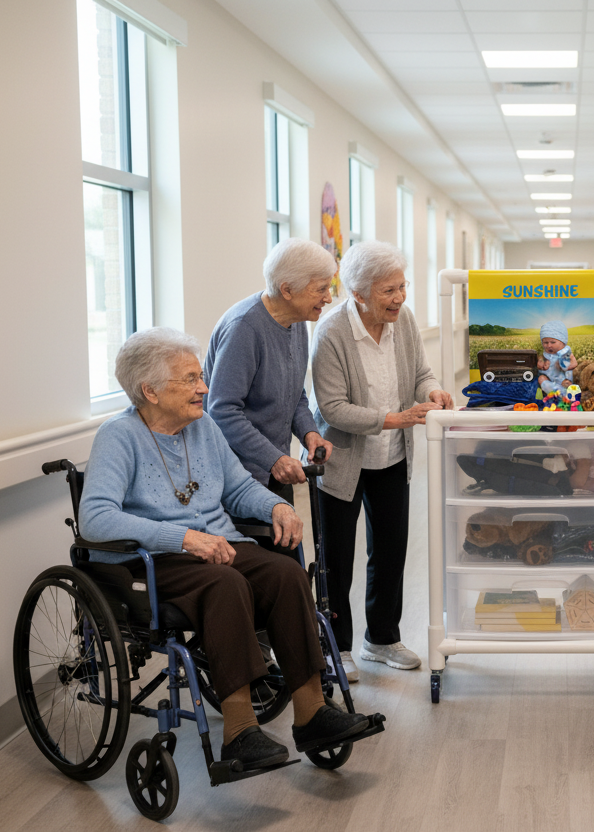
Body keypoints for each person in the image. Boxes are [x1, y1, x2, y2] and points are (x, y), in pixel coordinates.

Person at [79, 328, 369, 771]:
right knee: (225, 585)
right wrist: (182, 538)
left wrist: (276, 506)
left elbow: (237, 487)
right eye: (190, 379)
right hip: (151, 560)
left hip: (217, 544)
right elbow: (96, 519)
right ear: (150, 391)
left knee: (285, 573)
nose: (203, 388)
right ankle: (239, 730)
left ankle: (312, 713)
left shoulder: (203, 427)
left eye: (201, 376)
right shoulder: (118, 436)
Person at [311, 240, 453, 679]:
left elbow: (420, 372)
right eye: (388, 290)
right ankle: (337, 648)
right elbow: (332, 408)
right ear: (358, 293)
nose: (399, 298)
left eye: (402, 286)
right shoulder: (331, 333)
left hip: (392, 457)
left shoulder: (402, 320)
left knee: (390, 552)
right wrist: (397, 419)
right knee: (337, 560)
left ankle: (382, 639)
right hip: (342, 461)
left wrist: (432, 391)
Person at [204, 238, 336, 504]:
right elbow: (222, 410)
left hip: (275, 469)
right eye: (321, 289)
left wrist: (309, 433)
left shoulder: (297, 321)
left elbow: (293, 393)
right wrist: (274, 459)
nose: (328, 297)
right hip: (239, 479)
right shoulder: (243, 328)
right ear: (287, 290)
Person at [537, 320, 577, 393]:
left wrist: (565, 366)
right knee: (541, 378)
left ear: (563, 342)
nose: (549, 345)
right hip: (549, 379)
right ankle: (556, 393)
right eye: (545, 342)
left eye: (553, 342)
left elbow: (574, 363)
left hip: (562, 379)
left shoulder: (565, 353)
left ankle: (566, 392)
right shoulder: (545, 354)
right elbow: (541, 359)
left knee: (567, 384)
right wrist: (541, 362)